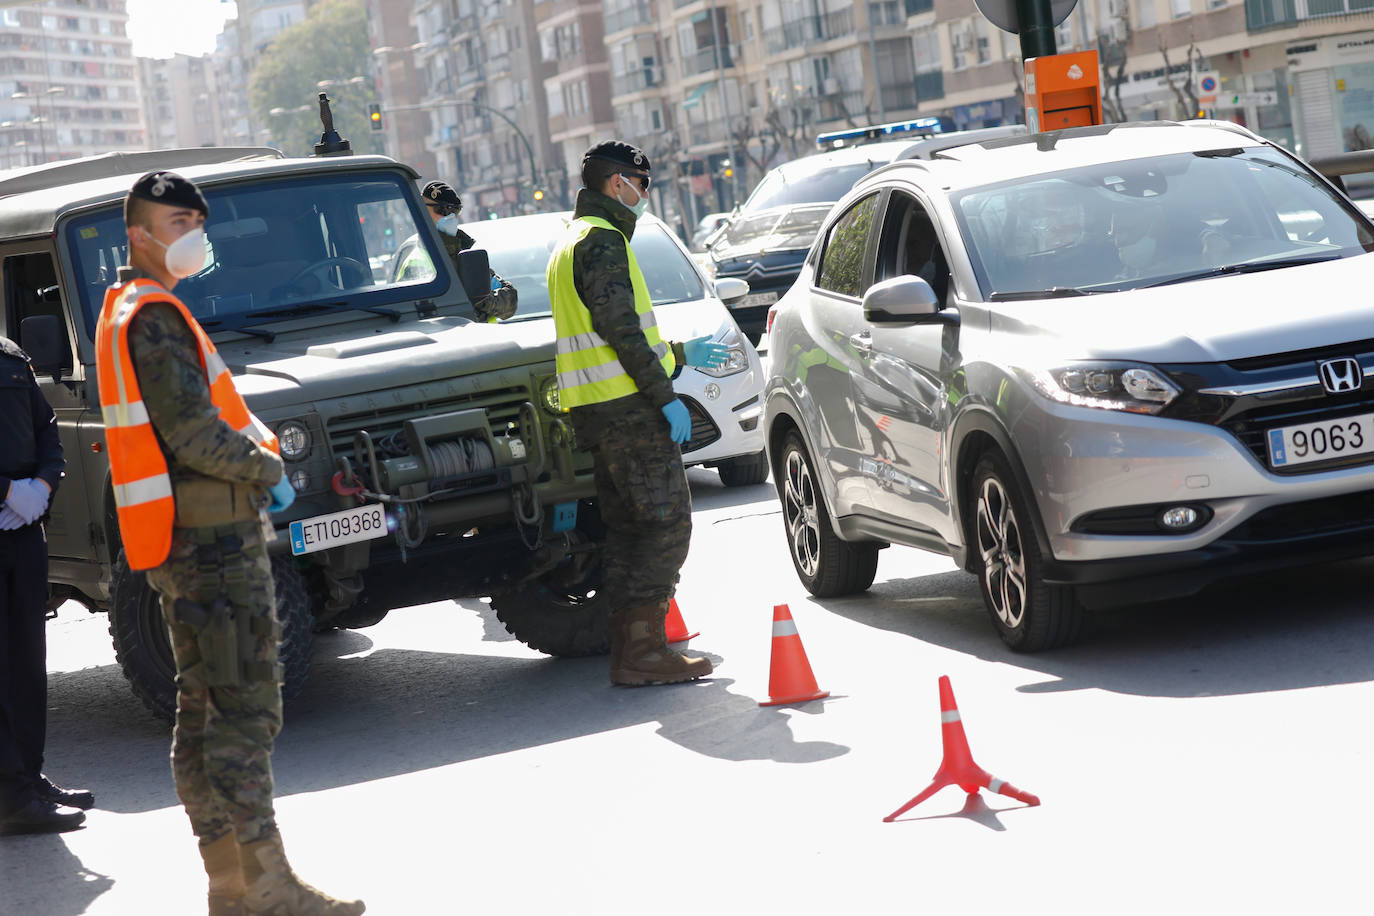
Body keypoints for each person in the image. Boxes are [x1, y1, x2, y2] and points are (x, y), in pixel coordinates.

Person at [95, 171, 363, 915]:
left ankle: (232, 881)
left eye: (196, 222)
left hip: (183, 541)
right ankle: (266, 884)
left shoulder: (128, 308)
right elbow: (190, 430)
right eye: (177, 223)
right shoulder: (153, 315)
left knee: (204, 710)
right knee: (244, 712)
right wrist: (267, 466)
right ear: (139, 235)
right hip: (212, 539)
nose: (193, 236)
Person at [546, 140, 730, 686]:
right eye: (641, 184)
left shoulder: (573, 239)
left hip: (601, 410)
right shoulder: (601, 241)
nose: (645, 195)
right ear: (616, 184)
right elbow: (621, 332)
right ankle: (644, 649)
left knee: (630, 530)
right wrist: (666, 396)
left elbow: (622, 335)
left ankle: (632, 650)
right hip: (628, 410)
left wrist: (675, 355)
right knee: (666, 526)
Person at [0, 338, 91, 837]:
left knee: (28, 667)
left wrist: (43, 484)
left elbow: (46, 426)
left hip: (23, 529)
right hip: (8, 505)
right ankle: (10, 798)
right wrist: (8, 490)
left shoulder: (9, 354)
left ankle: (28, 780)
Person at [394, 180, 518, 323]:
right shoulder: (416, 263)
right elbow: (414, 315)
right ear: (422, 212)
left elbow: (510, 301)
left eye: (455, 210)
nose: (450, 216)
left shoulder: (468, 256)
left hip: (485, 341)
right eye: (443, 210)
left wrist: (483, 301)